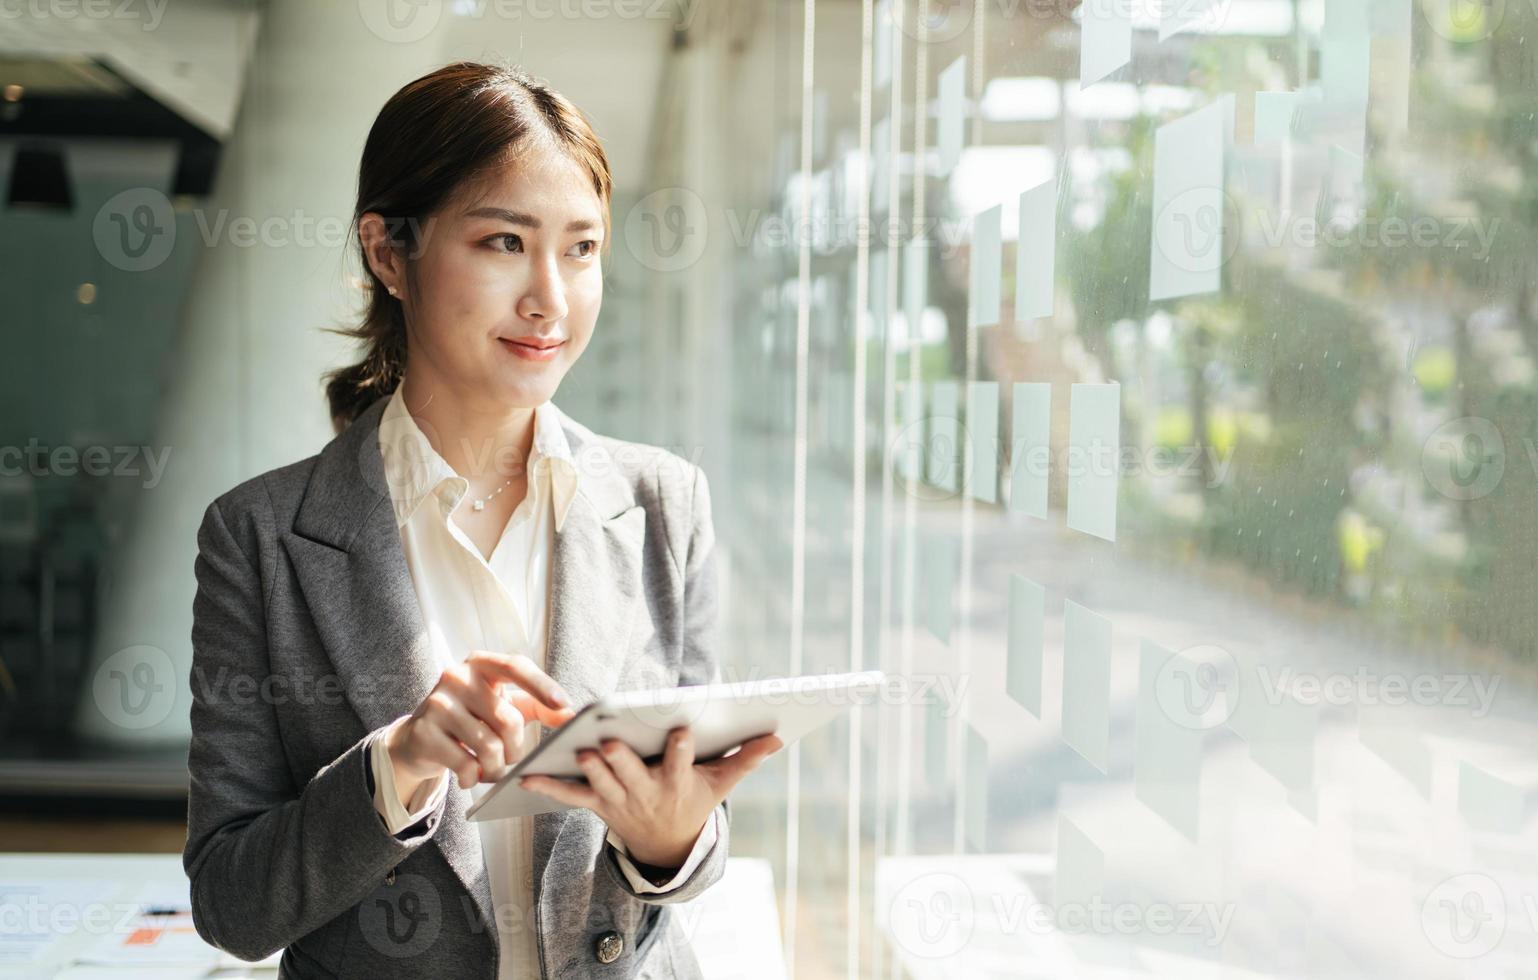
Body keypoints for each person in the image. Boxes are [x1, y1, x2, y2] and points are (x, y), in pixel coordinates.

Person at [182, 60, 781, 980]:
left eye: (582, 249)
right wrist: (397, 766)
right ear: (388, 252)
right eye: (505, 241)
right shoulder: (258, 537)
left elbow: (685, 853)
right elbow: (231, 904)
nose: (550, 296)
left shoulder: (667, 505)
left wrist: (671, 839)